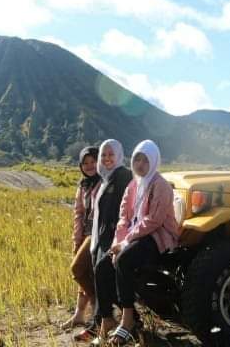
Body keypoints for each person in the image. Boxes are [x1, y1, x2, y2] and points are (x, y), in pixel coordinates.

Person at [95, 139, 179, 345]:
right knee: (101, 267)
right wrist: (118, 242)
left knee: (124, 260)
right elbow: (124, 218)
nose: (140, 164)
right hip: (133, 237)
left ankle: (128, 319)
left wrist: (125, 243)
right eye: (137, 159)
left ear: (154, 161)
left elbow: (154, 221)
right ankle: (106, 318)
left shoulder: (161, 186)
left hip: (157, 237)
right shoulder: (133, 185)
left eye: (145, 160)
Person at [90, 139, 133, 341]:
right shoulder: (106, 178)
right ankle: (104, 321)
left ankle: (116, 321)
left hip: (116, 237)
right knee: (102, 277)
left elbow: (125, 212)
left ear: (118, 155)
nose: (107, 158)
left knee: (105, 273)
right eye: (104, 155)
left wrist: (118, 238)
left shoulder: (123, 175)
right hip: (103, 237)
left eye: (111, 154)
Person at [61, 146, 101, 340]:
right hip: (84, 234)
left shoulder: (105, 181)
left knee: (77, 269)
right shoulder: (83, 185)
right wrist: (76, 239)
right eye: (85, 163)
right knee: (84, 272)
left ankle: (98, 307)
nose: (89, 166)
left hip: (98, 234)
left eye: (93, 161)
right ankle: (79, 314)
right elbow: (78, 213)